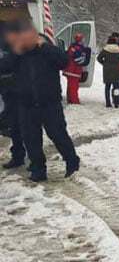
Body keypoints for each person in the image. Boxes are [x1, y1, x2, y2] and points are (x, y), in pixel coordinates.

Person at [0, 19, 80, 182]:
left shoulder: (46, 47)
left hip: (49, 103)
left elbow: (63, 61)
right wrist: (16, 51)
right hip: (26, 104)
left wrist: (44, 46)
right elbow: (4, 66)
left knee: (58, 135)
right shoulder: (18, 52)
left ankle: (72, 162)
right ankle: (38, 169)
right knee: (31, 139)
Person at [0, 23, 26, 169]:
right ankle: (19, 156)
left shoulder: (16, 49)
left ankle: (21, 156)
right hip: (9, 92)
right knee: (16, 127)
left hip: (15, 93)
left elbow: (8, 65)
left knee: (18, 126)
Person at [62, 33, 90, 105]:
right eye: (82, 39)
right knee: (74, 86)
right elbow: (78, 59)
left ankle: (70, 99)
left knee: (70, 85)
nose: (84, 40)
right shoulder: (78, 48)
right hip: (74, 70)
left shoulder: (73, 47)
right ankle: (75, 101)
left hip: (70, 70)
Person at [97, 37, 119, 108]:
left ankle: (108, 103)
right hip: (116, 70)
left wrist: (104, 63)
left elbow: (99, 58)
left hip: (107, 70)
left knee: (107, 87)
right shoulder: (118, 49)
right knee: (116, 88)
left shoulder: (105, 49)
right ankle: (116, 103)